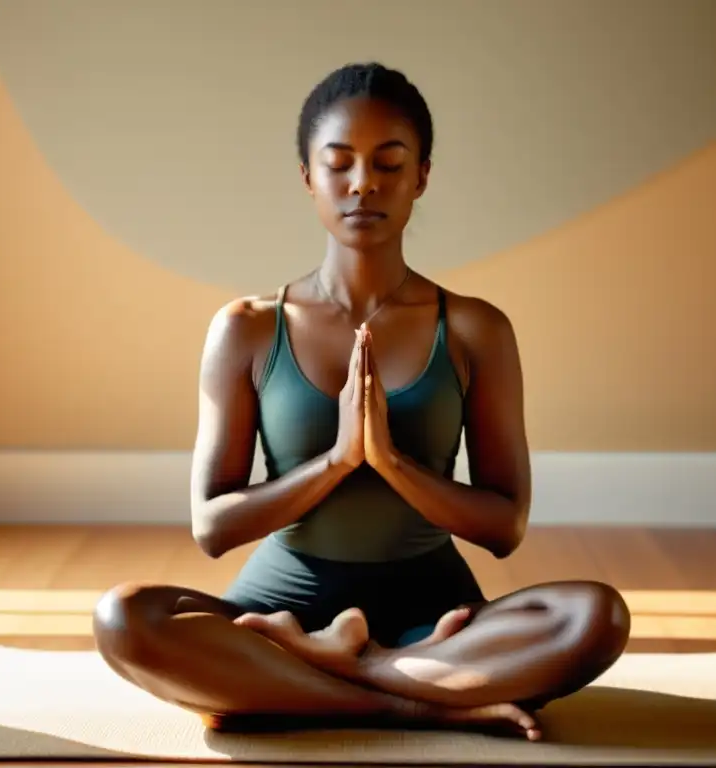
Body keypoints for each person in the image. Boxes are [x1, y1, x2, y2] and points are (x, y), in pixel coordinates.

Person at [92, 62, 630, 742]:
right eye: (339, 163)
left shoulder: (474, 328)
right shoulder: (248, 329)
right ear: (308, 177)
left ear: (421, 178)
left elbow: (503, 527)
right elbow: (214, 525)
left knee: (594, 618)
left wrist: (393, 463)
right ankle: (407, 698)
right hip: (280, 608)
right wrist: (339, 461)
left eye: (389, 163)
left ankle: (327, 671)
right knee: (123, 620)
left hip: (432, 615)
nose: (362, 184)